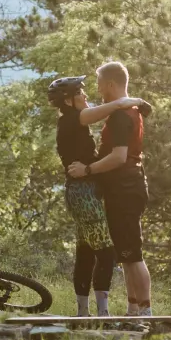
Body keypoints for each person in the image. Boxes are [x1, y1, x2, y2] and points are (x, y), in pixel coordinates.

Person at [48, 75, 149, 318]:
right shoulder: (74, 119)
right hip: (83, 193)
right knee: (106, 252)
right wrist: (134, 101)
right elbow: (111, 108)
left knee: (85, 251)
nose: (86, 96)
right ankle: (102, 314)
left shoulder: (73, 119)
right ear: (69, 100)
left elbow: (104, 109)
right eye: (81, 93)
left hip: (81, 191)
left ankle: (84, 312)